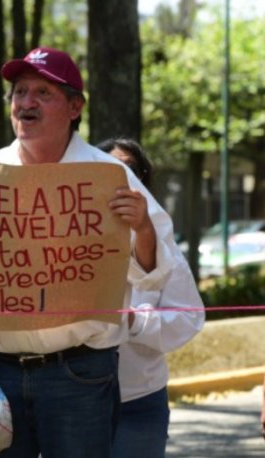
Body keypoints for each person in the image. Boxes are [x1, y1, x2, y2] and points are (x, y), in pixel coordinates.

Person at [0, 47, 185, 458]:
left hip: (78, 375)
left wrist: (143, 226)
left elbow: (153, 274)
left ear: (75, 107)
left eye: (43, 92)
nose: (26, 102)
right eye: (19, 92)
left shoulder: (111, 178)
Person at [97, 137, 204, 458]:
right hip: (72, 402)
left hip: (138, 402)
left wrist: (134, 321)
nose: (122, 179)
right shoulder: (68, 241)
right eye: (108, 170)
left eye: (130, 170)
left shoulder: (161, 245)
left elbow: (188, 318)